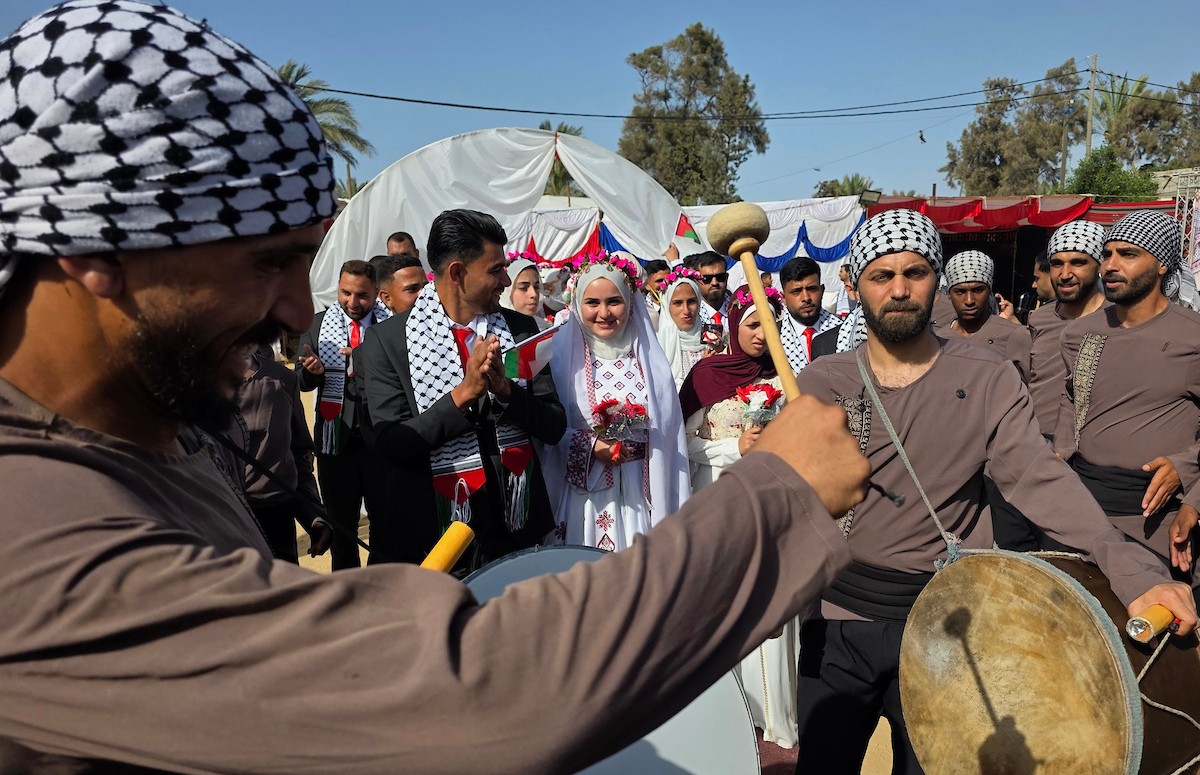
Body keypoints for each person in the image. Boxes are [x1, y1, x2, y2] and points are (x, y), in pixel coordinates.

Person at [0, 4, 876, 772]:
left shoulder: (144, 425)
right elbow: (468, 692)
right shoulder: (29, 529)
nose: (292, 318)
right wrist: (777, 497)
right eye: (264, 264)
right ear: (99, 255)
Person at [793, 208, 1197, 774]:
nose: (901, 290)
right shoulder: (822, 379)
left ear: (937, 278)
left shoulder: (986, 374)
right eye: (882, 276)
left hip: (945, 626)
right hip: (838, 623)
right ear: (856, 285)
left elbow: (1036, 476)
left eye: (916, 273)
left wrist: (1129, 566)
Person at [355, 210, 564, 567]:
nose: (506, 279)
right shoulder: (387, 342)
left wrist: (507, 392)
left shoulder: (520, 329)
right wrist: (463, 394)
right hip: (437, 538)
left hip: (517, 528)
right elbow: (393, 445)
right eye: (496, 269)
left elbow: (554, 425)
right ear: (457, 273)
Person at [679, 284, 800, 747]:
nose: (759, 335)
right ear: (733, 326)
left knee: (771, 600)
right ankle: (732, 714)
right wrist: (734, 448)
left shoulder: (786, 376)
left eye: (767, 325)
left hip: (771, 500)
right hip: (718, 496)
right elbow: (683, 443)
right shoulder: (706, 376)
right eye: (751, 324)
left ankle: (775, 715)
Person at [1055, 210, 1200, 595]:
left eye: (1128, 254)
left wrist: (1189, 485)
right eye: (1107, 254)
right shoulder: (1079, 334)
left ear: (1161, 265)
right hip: (1083, 513)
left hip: (1156, 520)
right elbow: (1071, 407)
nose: (1111, 266)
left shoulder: (1192, 339)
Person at [541, 252, 690, 551]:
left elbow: (670, 435)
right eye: (592, 303)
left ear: (630, 301)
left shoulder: (651, 362)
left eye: (614, 301)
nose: (604, 313)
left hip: (640, 491)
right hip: (584, 496)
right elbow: (547, 429)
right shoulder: (558, 357)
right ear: (577, 303)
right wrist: (591, 446)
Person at [296, 260, 388, 570]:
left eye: (362, 295)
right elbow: (300, 381)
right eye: (345, 293)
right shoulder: (317, 325)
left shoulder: (390, 325)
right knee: (342, 529)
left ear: (376, 293)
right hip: (336, 444)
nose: (352, 302)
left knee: (385, 526)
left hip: (381, 442)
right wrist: (313, 374)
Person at [235, 344, 332, 563]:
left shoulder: (282, 380)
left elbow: (298, 455)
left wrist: (314, 516)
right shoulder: (191, 388)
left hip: (275, 519)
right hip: (217, 524)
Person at [1027, 221, 1109, 441]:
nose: (1065, 274)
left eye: (1077, 262)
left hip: (1092, 452)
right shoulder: (1039, 318)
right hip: (1036, 443)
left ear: (1100, 265)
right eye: (1057, 263)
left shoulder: (1117, 320)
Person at [936, 250, 1032, 381]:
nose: (969, 300)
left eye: (977, 290)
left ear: (989, 291)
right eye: (960, 291)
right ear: (949, 295)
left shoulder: (1014, 335)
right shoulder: (939, 339)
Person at [779, 257, 841, 374]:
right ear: (784, 298)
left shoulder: (843, 332)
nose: (806, 298)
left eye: (811, 289)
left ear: (822, 291)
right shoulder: (773, 338)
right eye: (796, 291)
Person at [654, 266, 709, 389]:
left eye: (691, 301)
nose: (686, 310)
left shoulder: (712, 340)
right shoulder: (657, 346)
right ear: (667, 305)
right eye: (677, 303)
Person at [687, 250, 733, 333]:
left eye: (720, 277)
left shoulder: (739, 309)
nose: (714, 283)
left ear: (726, 277)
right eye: (707, 279)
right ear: (696, 280)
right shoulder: (690, 315)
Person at [500, 253, 547, 327]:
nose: (533, 294)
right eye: (523, 288)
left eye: (536, 287)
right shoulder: (498, 332)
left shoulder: (543, 327)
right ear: (507, 291)